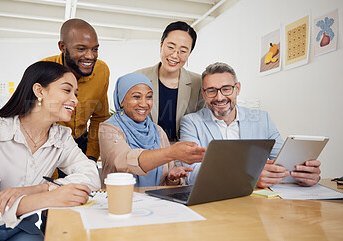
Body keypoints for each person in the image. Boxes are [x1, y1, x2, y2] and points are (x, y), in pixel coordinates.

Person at [0, 62, 100, 240]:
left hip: (20, 227)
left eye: (76, 93)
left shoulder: (61, 137)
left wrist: (40, 189)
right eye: (67, 90)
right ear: (39, 91)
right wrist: (51, 197)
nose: (75, 100)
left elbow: (91, 176)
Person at [180, 62, 321, 188]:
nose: (219, 97)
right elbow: (190, 175)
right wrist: (250, 176)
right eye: (211, 91)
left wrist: (305, 175)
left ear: (238, 88)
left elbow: (284, 163)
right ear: (204, 95)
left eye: (226, 89)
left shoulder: (262, 119)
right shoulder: (191, 122)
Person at [99, 73, 206, 187]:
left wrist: (171, 177)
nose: (144, 104)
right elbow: (125, 162)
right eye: (136, 97)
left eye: (149, 96)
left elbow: (163, 182)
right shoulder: (109, 129)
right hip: (122, 201)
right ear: (121, 100)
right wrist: (171, 152)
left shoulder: (157, 131)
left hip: (154, 202)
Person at [42, 18, 110, 162]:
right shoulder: (42, 70)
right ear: (62, 47)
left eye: (95, 49)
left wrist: (91, 157)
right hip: (48, 143)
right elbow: (33, 120)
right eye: (81, 49)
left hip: (81, 141)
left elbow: (99, 117)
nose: (90, 56)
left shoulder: (102, 70)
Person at [136, 21, 204, 142]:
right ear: (161, 45)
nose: (174, 55)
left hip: (183, 151)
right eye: (171, 47)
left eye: (183, 51)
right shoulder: (139, 78)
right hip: (147, 149)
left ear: (189, 54)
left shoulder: (199, 83)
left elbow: (202, 125)